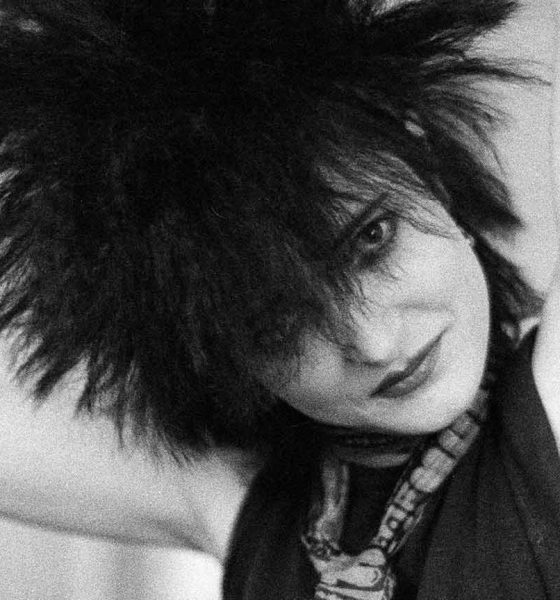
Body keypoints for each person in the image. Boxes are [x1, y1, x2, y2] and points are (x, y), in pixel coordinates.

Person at [0, 0, 558, 599]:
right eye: (280, 326)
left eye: (373, 239)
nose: (373, 344)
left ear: (424, 163)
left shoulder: (544, 420)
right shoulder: (250, 508)